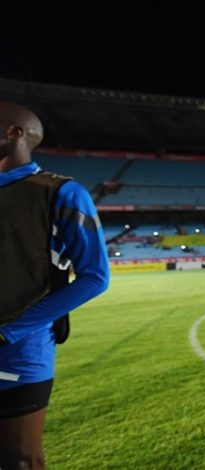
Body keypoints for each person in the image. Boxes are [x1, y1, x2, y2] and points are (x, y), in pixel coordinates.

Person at [0, 101, 110, 468]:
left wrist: (9, 331)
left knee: (20, 460)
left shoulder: (60, 192)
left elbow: (95, 276)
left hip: (18, 352)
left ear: (14, 133)